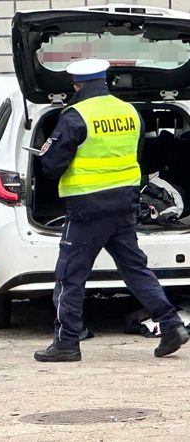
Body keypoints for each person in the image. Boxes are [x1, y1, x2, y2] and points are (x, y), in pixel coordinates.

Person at [34, 58, 189, 362]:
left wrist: (47, 152)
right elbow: (136, 154)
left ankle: (66, 342)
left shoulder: (75, 115)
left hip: (87, 207)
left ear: (77, 85)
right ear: (104, 82)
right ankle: (171, 325)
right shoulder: (129, 112)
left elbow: (52, 167)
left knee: (70, 275)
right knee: (135, 269)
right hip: (124, 204)